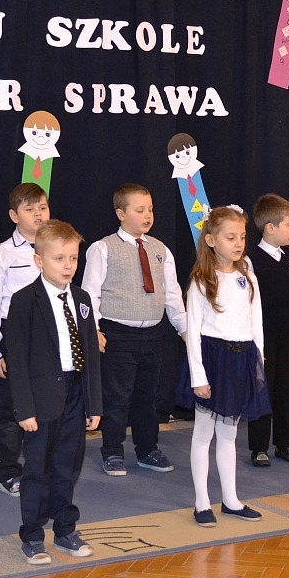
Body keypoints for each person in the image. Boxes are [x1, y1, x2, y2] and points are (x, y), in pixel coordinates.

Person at [3, 220, 103, 565]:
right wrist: (24, 409)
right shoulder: (24, 301)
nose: (68, 265)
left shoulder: (82, 299)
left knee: (67, 466)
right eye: (59, 258)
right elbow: (17, 359)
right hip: (40, 396)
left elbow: (90, 354)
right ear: (39, 260)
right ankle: (32, 534)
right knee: (37, 469)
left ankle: (65, 529)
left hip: (75, 394)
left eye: (73, 258)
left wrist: (94, 403)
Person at [81, 183, 187, 476]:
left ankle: (147, 449)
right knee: (117, 397)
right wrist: (94, 329)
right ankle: (112, 452)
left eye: (150, 209)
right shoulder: (103, 248)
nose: (147, 215)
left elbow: (172, 293)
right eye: (139, 210)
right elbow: (90, 293)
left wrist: (184, 328)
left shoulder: (160, 249)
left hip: (153, 334)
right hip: (117, 333)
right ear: (121, 213)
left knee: (148, 396)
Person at [182, 205, 269, 527]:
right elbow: (193, 332)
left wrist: (258, 363)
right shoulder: (202, 280)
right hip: (213, 359)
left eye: (242, 237)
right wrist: (199, 377)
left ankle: (231, 500)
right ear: (211, 240)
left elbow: (256, 323)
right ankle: (202, 502)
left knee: (229, 435)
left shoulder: (247, 276)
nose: (238, 243)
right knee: (204, 434)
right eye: (230, 237)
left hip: (241, 358)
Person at [0, 182, 51, 497]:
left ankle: (40, 467)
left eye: (43, 207)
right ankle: (9, 471)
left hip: (49, 335)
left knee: (47, 403)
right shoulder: (2, 253)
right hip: (15, 334)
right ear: (14, 215)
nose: (38, 214)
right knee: (12, 407)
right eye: (29, 209)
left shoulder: (55, 246)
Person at [246, 194, 289, 467]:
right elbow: (246, 300)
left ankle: (285, 443)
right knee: (263, 388)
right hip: (263, 334)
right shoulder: (251, 260)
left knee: (287, 387)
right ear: (270, 228)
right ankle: (258, 446)